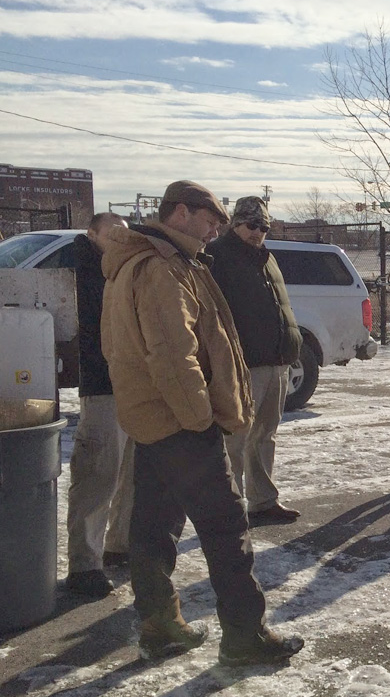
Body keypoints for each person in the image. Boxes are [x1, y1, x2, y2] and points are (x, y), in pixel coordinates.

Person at [101, 180, 303, 665]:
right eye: (211, 220)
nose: (216, 230)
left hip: (153, 419)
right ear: (182, 213)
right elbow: (175, 355)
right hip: (179, 423)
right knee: (226, 525)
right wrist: (199, 421)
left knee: (153, 524)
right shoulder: (161, 268)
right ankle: (244, 636)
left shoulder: (151, 261)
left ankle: (159, 621)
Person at [208, 196, 303, 526]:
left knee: (266, 434)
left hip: (276, 361)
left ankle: (263, 501)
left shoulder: (267, 257)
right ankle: (228, 507)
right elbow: (211, 315)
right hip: (242, 364)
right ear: (235, 224)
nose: (258, 231)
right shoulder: (218, 256)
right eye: (251, 225)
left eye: (263, 226)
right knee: (235, 438)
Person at [64, 212, 135, 598]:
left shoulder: (123, 268)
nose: (119, 240)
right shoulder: (82, 271)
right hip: (102, 384)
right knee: (98, 473)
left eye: (124, 234)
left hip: (135, 385)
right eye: (111, 234)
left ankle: (119, 545)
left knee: (132, 471)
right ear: (91, 234)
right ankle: (84, 564)